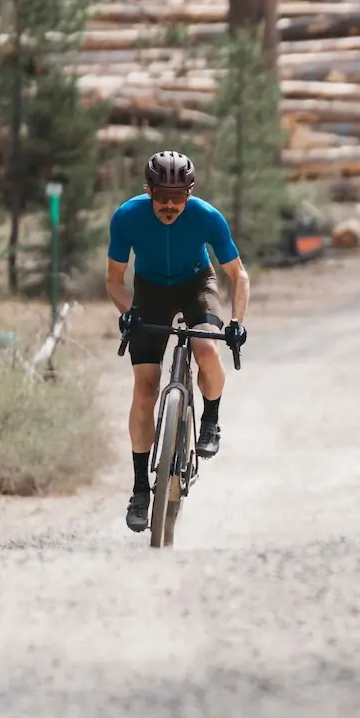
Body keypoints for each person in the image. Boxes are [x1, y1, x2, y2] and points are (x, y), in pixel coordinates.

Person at [106, 151, 249, 533]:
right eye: (161, 195)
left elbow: (239, 276)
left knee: (206, 347)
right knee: (145, 388)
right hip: (149, 291)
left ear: (190, 192)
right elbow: (114, 280)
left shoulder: (207, 216)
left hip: (195, 283)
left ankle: (211, 420)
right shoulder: (126, 217)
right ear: (147, 190)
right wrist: (128, 311)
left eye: (178, 195)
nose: (169, 205)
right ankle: (140, 489)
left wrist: (236, 322)